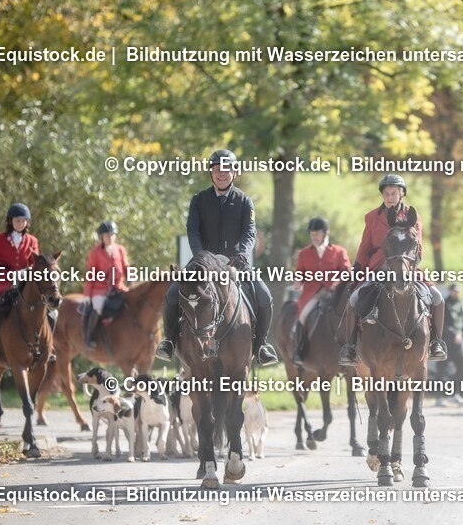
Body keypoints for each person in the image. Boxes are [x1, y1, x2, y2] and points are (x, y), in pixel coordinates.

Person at [155, 149, 279, 366]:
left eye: (226, 170)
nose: (222, 174)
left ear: (234, 173)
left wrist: (242, 254)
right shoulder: (198, 200)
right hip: (204, 263)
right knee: (173, 293)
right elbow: (192, 231)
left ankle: (261, 345)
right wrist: (201, 256)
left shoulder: (244, 201)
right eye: (217, 170)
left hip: (235, 263)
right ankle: (169, 341)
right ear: (211, 173)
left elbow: (249, 232)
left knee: (264, 295)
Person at [338, 173, 447, 366]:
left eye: (394, 193)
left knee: (438, 298)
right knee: (354, 299)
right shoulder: (372, 217)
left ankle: (436, 343)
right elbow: (365, 247)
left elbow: (419, 249)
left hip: (406, 267)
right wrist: (357, 269)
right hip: (379, 266)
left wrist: (409, 264)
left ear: (402, 194)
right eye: (386, 194)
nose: (390, 197)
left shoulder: (414, 217)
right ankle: (351, 347)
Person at [0, 203, 55, 362]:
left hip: (22, 285)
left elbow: (34, 265)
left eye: (23, 221)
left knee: (51, 312)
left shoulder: (32, 241)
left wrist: (25, 273)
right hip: (0, 284)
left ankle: (48, 346)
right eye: (17, 220)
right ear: (10, 220)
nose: (20, 223)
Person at [291, 217, 350, 365]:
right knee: (302, 316)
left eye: (316, 234)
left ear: (325, 234)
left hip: (335, 294)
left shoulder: (339, 251)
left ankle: (352, 349)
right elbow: (299, 272)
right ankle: (299, 351)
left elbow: (347, 271)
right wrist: (297, 281)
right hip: (314, 294)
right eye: (312, 234)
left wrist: (336, 282)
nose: (314, 237)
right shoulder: (304, 253)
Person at [82, 220, 130, 348]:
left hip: (119, 287)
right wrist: (87, 294)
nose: (110, 237)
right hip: (100, 289)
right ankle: (90, 336)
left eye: (112, 235)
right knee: (98, 306)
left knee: (133, 302)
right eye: (107, 235)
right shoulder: (95, 253)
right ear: (101, 237)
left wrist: (132, 277)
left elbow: (126, 267)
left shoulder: (120, 250)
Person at [436, 283, 463, 406]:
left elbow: (461, 320)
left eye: (458, 291)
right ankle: (439, 396)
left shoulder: (459, 303)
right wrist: (455, 334)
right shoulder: (444, 304)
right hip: (446, 341)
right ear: (450, 291)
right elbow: (443, 322)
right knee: (442, 369)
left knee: (462, 367)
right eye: (454, 291)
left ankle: (455, 394)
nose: (456, 293)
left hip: (457, 343)